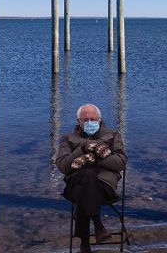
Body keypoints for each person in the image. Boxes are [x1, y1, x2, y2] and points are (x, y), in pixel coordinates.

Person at [56, 103, 127, 253]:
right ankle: (99, 226)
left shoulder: (113, 135)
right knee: (86, 177)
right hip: (75, 186)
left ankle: (85, 243)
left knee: (87, 181)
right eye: (85, 119)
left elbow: (121, 162)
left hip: (104, 186)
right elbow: (62, 166)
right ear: (78, 121)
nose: (89, 122)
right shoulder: (68, 138)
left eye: (93, 119)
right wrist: (81, 150)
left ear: (100, 119)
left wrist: (94, 157)